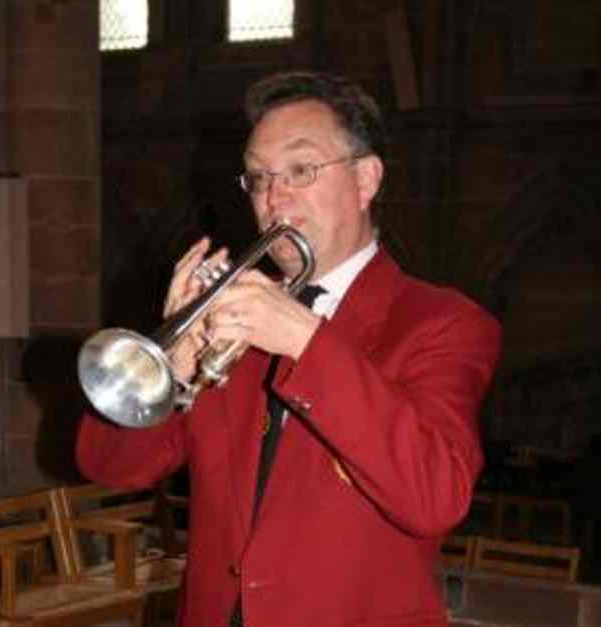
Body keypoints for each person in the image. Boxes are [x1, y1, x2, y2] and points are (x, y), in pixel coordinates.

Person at [77, 71, 502, 627]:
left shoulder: (442, 322)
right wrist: (174, 360)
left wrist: (306, 339)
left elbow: (434, 497)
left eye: (301, 170)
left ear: (366, 179)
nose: (275, 197)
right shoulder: (232, 318)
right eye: (258, 178)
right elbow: (110, 466)